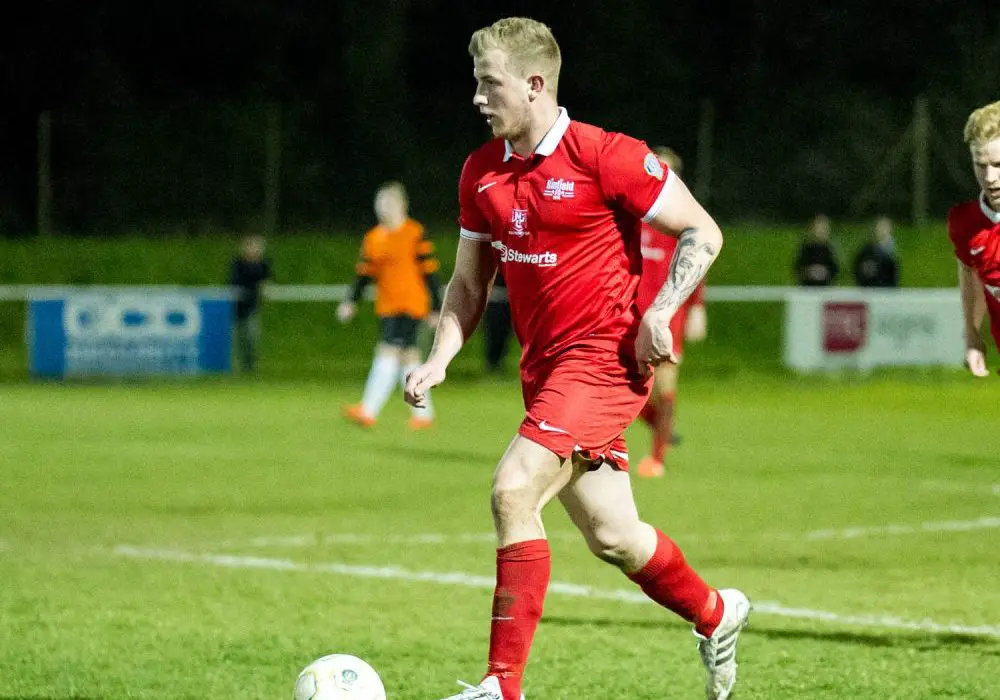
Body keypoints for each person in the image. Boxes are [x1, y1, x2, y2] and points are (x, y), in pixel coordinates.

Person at [403, 18, 749, 700]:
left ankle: (502, 687)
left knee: (512, 489)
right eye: (476, 82)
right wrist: (440, 357)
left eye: (489, 83)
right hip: (546, 373)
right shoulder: (481, 171)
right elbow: (470, 282)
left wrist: (659, 310)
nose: (477, 97)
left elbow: (702, 231)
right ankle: (717, 612)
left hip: (603, 362)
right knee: (615, 537)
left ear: (534, 85)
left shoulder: (605, 154)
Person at [339, 181, 442, 428]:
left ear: (403, 205)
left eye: (389, 202)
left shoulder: (414, 232)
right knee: (408, 358)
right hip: (387, 305)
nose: (383, 207)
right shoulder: (373, 238)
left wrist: (437, 307)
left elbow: (430, 271)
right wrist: (351, 301)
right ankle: (423, 415)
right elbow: (364, 273)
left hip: (411, 303)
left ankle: (368, 410)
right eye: (380, 202)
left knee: (388, 351)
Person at [634, 147, 708, 478]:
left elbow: (696, 262)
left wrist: (697, 308)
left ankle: (657, 459)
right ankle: (660, 428)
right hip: (628, 314)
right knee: (628, 389)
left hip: (667, 314)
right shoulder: (632, 213)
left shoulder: (682, 221)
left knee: (664, 387)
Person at [948, 99, 1000, 378]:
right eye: (981, 165)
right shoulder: (966, 225)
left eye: (999, 164)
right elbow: (971, 271)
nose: (991, 178)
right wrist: (971, 334)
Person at [228, 234, 272, 374]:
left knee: (251, 338)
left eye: (258, 248)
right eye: (253, 247)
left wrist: (264, 288)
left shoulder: (264, 264)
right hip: (234, 307)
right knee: (235, 339)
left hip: (251, 307)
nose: (255, 250)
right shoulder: (238, 263)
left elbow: (267, 281)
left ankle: (249, 366)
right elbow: (233, 283)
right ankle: (232, 365)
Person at [853, 215, 900, 288]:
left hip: (887, 292)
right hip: (869, 291)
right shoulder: (866, 250)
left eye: (885, 227)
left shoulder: (892, 253)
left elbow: (894, 276)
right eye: (880, 227)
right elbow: (857, 268)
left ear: (890, 230)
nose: (882, 230)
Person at [794, 214, 840, 286]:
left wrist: (825, 272)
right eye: (819, 229)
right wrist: (809, 272)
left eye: (824, 229)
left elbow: (835, 271)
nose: (821, 232)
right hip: (808, 288)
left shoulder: (829, 250)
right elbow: (798, 270)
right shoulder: (807, 249)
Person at [483, 271, 513, 373]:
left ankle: (497, 362)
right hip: (495, 300)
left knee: (504, 334)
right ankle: (493, 363)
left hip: (508, 299)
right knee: (494, 333)